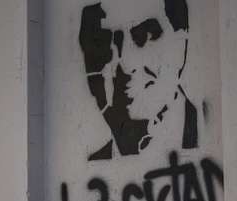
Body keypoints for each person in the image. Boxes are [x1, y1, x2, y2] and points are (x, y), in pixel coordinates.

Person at [78, 0, 198, 160]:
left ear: (181, 43)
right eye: (103, 43)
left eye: (144, 35)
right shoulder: (95, 166)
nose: (125, 65)